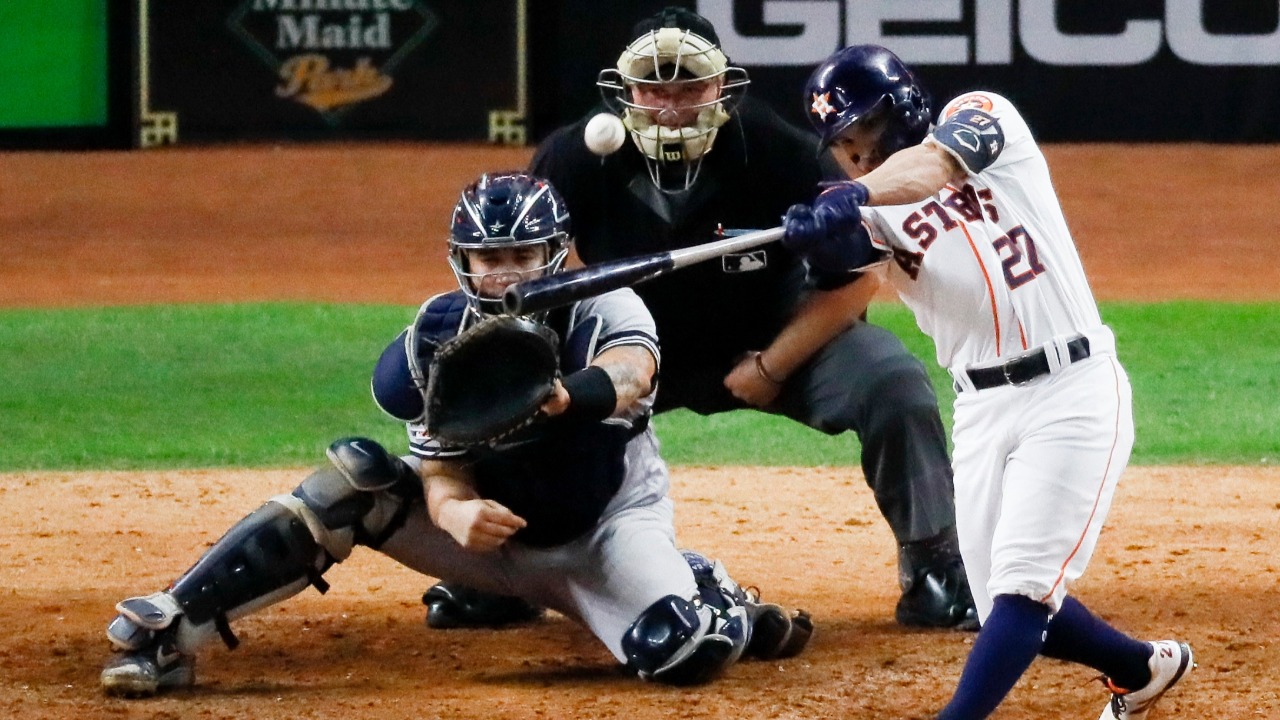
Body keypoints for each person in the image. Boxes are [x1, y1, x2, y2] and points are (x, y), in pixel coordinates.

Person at [98, 171, 813, 698]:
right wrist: (454, 511)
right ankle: (172, 627)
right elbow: (439, 468)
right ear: (462, 260)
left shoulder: (604, 306)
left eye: (523, 256)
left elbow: (631, 373)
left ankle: (713, 595)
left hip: (604, 536)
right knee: (355, 481)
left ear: (555, 254)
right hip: (490, 543)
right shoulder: (435, 339)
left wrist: (563, 395)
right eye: (489, 259)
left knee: (683, 652)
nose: (504, 275)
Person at [422, 5, 978, 634]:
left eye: (690, 86)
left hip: (765, 341)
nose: (670, 105)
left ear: (723, 87)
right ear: (624, 91)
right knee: (520, 389)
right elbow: (530, 278)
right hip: (625, 354)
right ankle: (502, 572)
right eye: (653, 87)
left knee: (890, 381)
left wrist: (774, 365)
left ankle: (935, 564)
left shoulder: (777, 152)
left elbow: (857, 280)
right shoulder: (574, 159)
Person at [780, 45, 1193, 719]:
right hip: (980, 408)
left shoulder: (982, 117)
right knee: (1005, 597)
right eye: (843, 146)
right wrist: (819, 236)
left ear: (903, 108)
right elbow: (844, 261)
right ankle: (1140, 667)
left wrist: (852, 194)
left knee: (1024, 592)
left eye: (866, 132)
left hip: (1072, 387)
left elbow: (930, 169)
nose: (857, 155)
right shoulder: (873, 211)